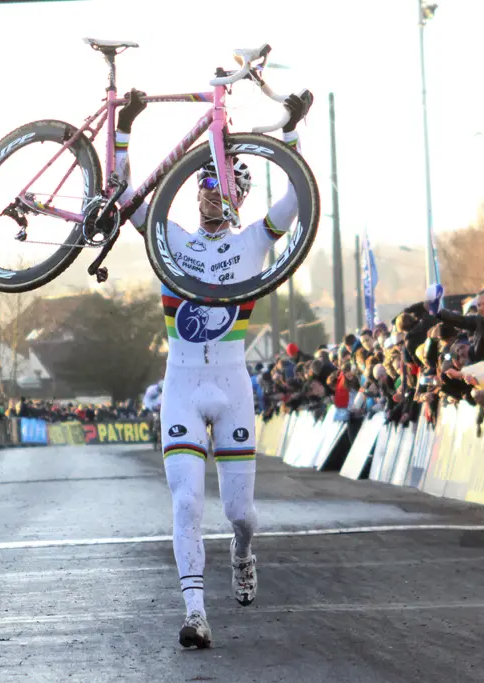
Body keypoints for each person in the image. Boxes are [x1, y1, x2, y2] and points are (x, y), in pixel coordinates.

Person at [114, 87, 313, 648]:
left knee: (238, 511)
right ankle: (196, 613)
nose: (209, 196)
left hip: (231, 385)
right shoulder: (170, 238)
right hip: (180, 381)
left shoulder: (256, 242)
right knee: (184, 501)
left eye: (221, 187)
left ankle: (244, 550)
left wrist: (292, 131)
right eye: (203, 185)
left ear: (239, 198)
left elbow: (299, 197)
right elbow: (125, 197)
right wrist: (127, 125)